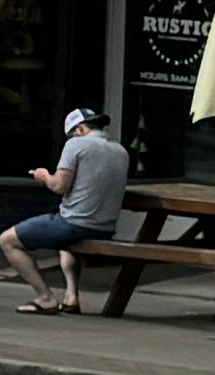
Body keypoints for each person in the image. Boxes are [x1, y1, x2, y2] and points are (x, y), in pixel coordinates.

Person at [8, 103, 131, 310]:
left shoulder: (77, 145)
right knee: (66, 245)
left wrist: (43, 176)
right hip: (105, 227)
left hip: (75, 223)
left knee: (8, 240)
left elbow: (59, 186)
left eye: (73, 134)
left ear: (80, 129)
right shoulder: (120, 151)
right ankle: (71, 297)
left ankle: (45, 298)